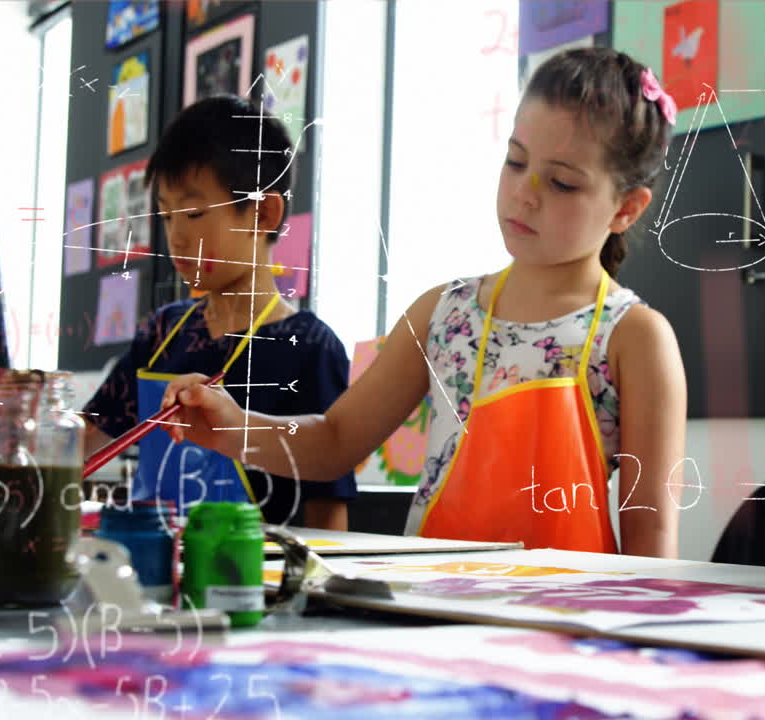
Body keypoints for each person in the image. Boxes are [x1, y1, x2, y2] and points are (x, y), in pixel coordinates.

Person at [160, 48, 688, 557]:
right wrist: (235, 427)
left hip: (570, 626)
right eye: (515, 161)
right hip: (437, 612)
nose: (526, 193)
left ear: (626, 208)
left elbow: (651, 537)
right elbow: (336, 439)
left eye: (562, 183)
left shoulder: (635, 337)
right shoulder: (444, 312)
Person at [0, 97, 357, 529]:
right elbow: (79, 442)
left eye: (193, 213)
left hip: (252, 584)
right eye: (168, 216)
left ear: (263, 212)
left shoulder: (310, 347)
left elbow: (329, 511)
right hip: (151, 573)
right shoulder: (164, 331)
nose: (177, 237)